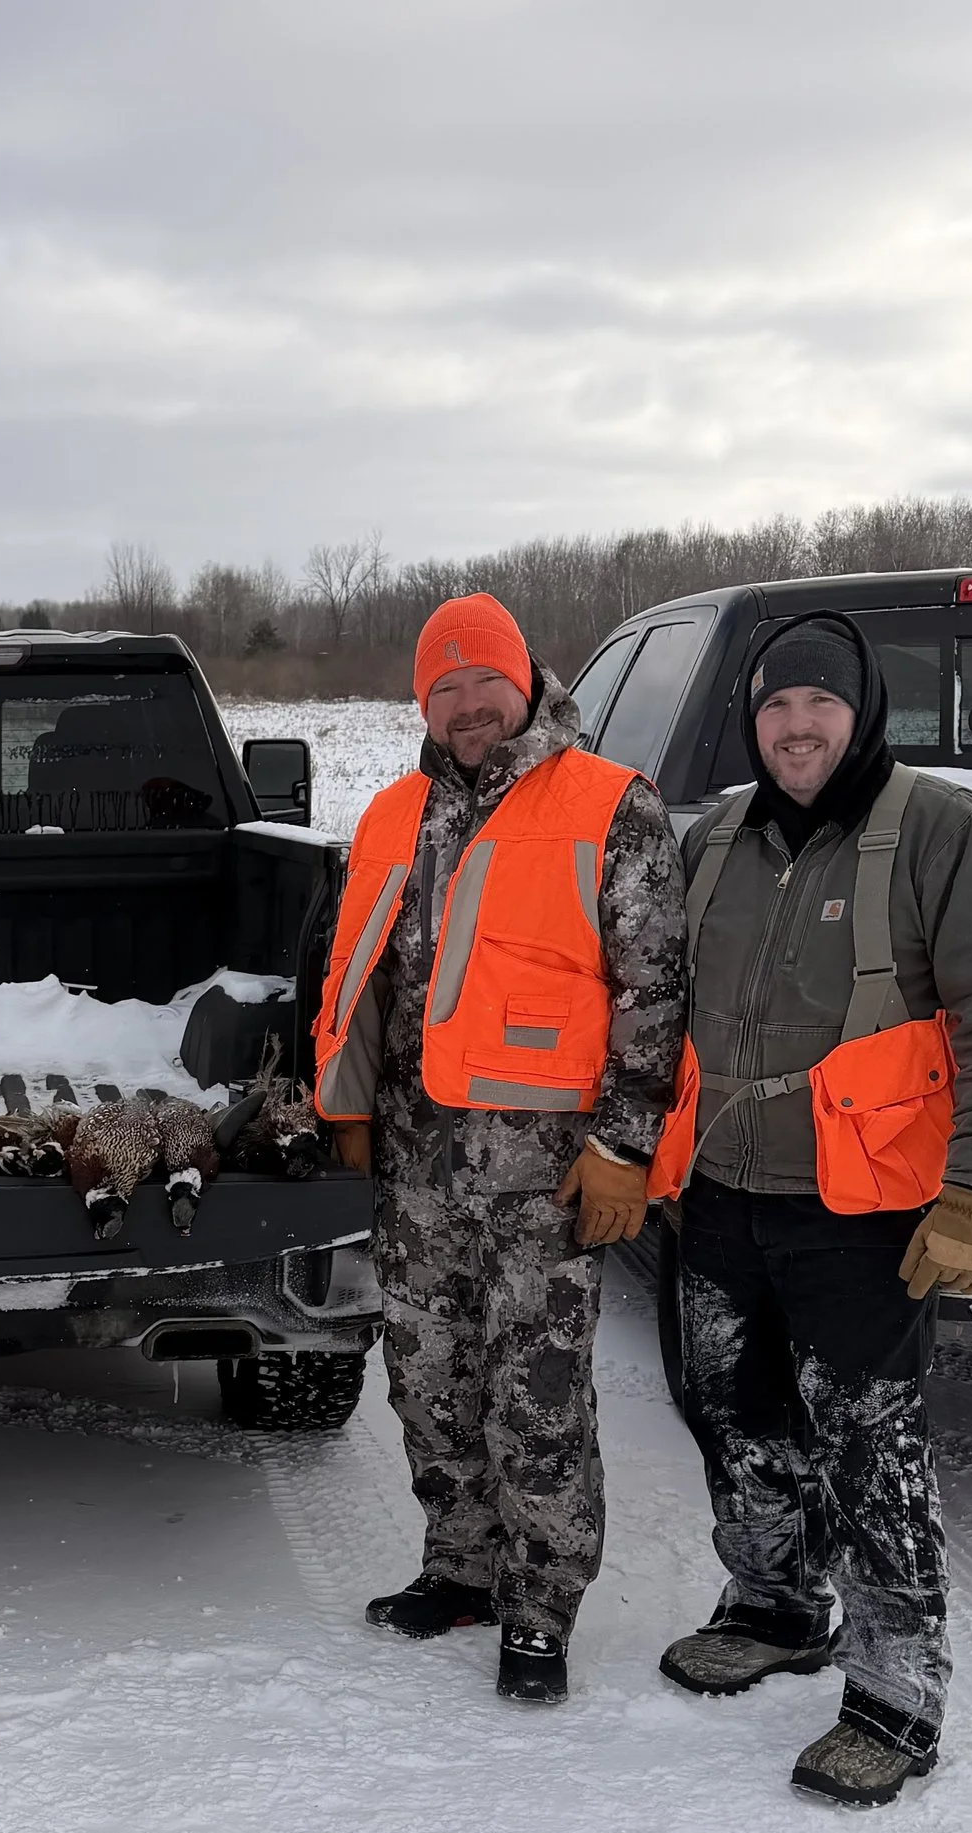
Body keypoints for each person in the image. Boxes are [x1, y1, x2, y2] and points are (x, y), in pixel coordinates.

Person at [657, 613, 972, 1806]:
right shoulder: (715, 837)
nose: (795, 726)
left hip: (864, 1207)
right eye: (774, 704)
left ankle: (894, 1691)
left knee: (867, 1450)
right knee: (733, 1414)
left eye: (819, 702)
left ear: (863, 709)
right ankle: (774, 1604)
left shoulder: (939, 830)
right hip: (719, 1190)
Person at [313, 593, 686, 1701]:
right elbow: (358, 969)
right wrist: (346, 1100)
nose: (468, 705)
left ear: (526, 681)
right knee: (428, 1376)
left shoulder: (611, 803)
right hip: (416, 1163)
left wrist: (624, 1145)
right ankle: (462, 1567)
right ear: (420, 701)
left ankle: (540, 1602)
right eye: (445, 688)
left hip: (547, 1172)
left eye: (486, 683)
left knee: (536, 1393)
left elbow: (655, 992)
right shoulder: (393, 812)